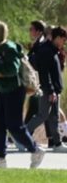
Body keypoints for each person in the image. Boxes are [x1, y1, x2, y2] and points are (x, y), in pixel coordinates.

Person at [0, 20, 43, 168]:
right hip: (2, 90)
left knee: (15, 125)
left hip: (14, 91)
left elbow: (12, 69)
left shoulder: (8, 48)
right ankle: (0, 158)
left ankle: (35, 150)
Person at [25, 20, 63, 150]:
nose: (64, 43)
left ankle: (57, 143)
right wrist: (52, 90)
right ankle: (23, 136)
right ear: (56, 38)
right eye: (63, 40)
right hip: (48, 89)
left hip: (53, 89)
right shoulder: (47, 51)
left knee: (53, 117)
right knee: (43, 115)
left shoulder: (52, 50)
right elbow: (45, 73)